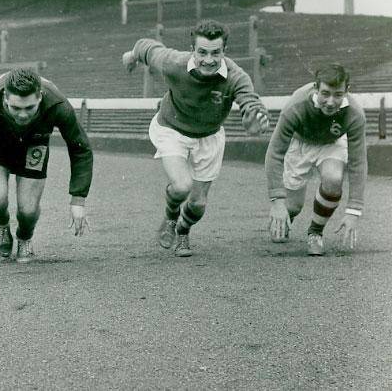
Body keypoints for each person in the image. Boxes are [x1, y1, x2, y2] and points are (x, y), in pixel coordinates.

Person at [122, 19, 270, 257]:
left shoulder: (235, 76)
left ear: (224, 51)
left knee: (198, 204)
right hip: (171, 128)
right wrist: (131, 56)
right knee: (181, 186)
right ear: (193, 49)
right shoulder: (173, 63)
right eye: (202, 52)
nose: (209, 60)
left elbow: (249, 101)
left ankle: (183, 230)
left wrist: (254, 118)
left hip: (208, 137)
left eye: (215, 53)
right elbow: (146, 47)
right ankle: (170, 218)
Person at [0, 68, 93, 263]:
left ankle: (24, 237)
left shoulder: (58, 104)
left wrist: (78, 199)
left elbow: (80, 149)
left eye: (29, 108)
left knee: (28, 210)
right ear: (5, 98)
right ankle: (1, 225)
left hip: (34, 145)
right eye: (16, 108)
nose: (23, 115)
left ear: (40, 97)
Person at [265, 64, 366, 255]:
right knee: (293, 206)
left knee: (334, 179)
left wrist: (354, 210)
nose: (330, 101)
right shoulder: (296, 105)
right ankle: (287, 216)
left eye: (338, 95)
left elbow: (358, 162)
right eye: (325, 93)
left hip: (331, 143)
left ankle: (316, 232)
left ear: (347, 91)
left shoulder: (354, 113)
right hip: (300, 143)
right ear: (315, 88)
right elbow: (274, 153)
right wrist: (277, 201)